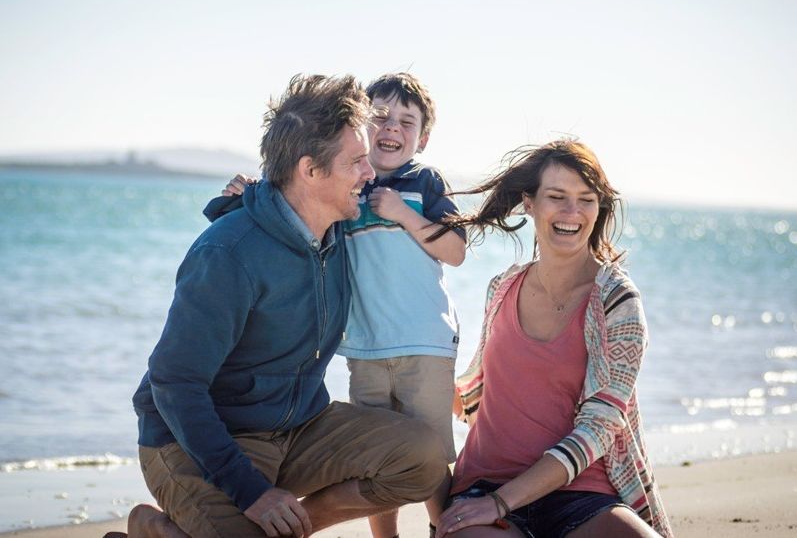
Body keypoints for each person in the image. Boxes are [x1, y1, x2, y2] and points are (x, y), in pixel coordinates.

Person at [127, 74, 448, 538]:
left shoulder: (339, 229)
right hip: (200, 442)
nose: (369, 172)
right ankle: (153, 528)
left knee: (422, 458)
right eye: (356, 161)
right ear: (310, 171)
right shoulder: (228, 254)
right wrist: (251, 494)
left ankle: (287, 529)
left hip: (298, 427)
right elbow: (174, 382)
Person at [219, 72, 467, 538]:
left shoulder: (425, 182)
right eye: (381, 117)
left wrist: (403, 213)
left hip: (424, 343)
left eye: (407, 122)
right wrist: (249, 192)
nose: (391, 128)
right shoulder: (347, 186)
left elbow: (455, 251)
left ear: (423, 138)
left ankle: (445, 530)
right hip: (364, 347)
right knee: (377, 456)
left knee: (432, 453)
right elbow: (295, 201)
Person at [432, 140, 673, 537]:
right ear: (529, 203)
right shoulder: (502, 288)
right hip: (485, 485)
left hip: (582, 493)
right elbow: (480, 393)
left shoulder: (617, 301)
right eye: (557, 197)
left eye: (586, 200)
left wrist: (502, 502)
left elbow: (599, 427)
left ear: (599, 208)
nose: (571, 213)